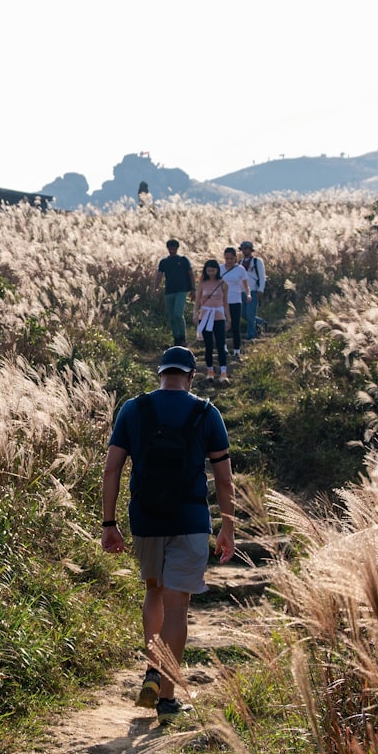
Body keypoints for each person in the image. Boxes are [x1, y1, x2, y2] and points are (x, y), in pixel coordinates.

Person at [101, 346, 237, 725]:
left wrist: (108, 525)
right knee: (178, 607)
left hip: (146, 519)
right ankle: (167, 697)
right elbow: (224, 479)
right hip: (190, 519)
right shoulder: (207, 413)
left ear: (160, 374)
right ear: (190, 376)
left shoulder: (133, 409)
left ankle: (151, 669)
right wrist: (227, 526)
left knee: (153, 592)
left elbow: (111, 470)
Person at [193, 259, 230, 383]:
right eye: (208, 270)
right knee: (208, 345)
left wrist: (229, 318)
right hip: (205, 315)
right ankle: (210, 371)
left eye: (213, 270)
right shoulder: (202, 283)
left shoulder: (223, 283)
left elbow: (225, 302)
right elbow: (198, 300)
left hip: (219, 316)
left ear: (217, 270)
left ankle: (224, 372)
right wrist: (195, 314)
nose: (211, 273)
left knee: (220, 345)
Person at [154, 240, 194, 347]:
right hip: (169, 291)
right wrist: (155, 288)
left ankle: (182, 337)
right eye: (170, 248)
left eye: (174, 248)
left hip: (181, 290)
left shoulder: (184, 260)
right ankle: (176, 338)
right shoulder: (164, 262)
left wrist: (193, 289)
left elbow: (191, 274)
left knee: (178, 314)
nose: (172, 250)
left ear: (177, 248)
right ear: (167, 248)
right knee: (171, 317)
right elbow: (159, 275)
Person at [219, 247, 250, 359]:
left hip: (235, 300)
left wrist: (248, 294)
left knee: (235, 326)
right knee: (221, 325)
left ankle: (237, 350)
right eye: (227, 258)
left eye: (231, 258)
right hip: (222, 301)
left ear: (235, 258)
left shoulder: (240, 269)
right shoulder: (220, 268)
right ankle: (223, 348)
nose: (229, 261)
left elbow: (246, 285)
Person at [238, 241, 265, 344]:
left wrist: (261, 289)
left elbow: (262, 276)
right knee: (243, 313)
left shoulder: (257, 261)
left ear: (251, 250)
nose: (245, 250)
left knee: (250, 313)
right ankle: (262, 322)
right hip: (242, 291)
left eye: (247, 248)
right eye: (243, 249)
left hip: (253, 289)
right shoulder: (240, 262)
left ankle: (251, 335)